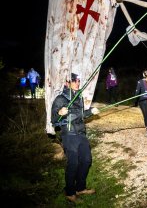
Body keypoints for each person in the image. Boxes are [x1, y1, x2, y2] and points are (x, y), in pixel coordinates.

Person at [51, 73, 100, 203]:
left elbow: (81, 115)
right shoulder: (60, 99)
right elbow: (54, 120)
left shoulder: (79, 97)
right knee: (73, 163)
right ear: (67, 83)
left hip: (81, 133)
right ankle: (70, 192)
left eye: (78, 80)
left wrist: (90, 112)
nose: (77, 83)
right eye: (74, 80)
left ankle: (80, 188)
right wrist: (59, 113)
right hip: (69, 135)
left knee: (86, 160)